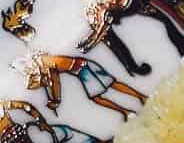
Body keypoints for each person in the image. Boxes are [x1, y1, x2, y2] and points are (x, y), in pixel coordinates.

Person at [15, 50, 146, 119]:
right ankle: (139, 99)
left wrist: (56, 100)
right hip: (83, 66)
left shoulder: (46, 64)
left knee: (98, 96)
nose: (28, 73)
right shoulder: (43, 61)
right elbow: (36, 84)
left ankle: (127, 111)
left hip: (83, 69)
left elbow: (55, 83)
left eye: (27, 71)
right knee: (112, 84)